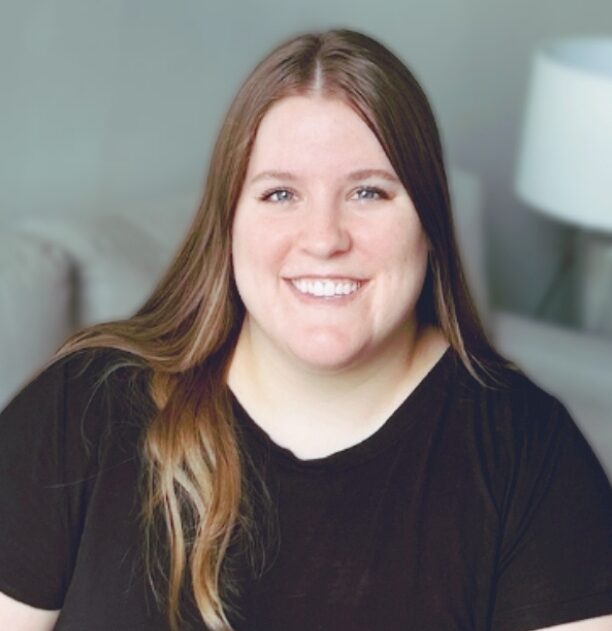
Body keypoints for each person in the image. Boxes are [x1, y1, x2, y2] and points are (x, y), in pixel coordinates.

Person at [0, 28, 610, 631]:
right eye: (281, 193)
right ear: (229, 223)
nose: (324, 238)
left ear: (428, 220)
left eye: (369, 192)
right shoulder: (80, 405)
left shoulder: (529, 451)